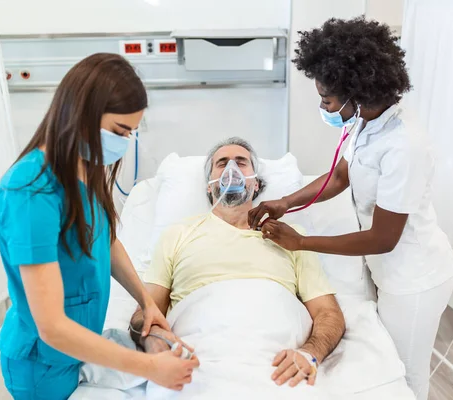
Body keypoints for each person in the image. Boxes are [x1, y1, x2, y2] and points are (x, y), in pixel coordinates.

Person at [248, 18, 453, 400]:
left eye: (327, 100)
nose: (323, 107)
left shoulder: (403, 146)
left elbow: (383, 238)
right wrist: (285, 202)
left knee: (404, 379)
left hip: (414, 279)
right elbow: (341, 176)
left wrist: (302, 242)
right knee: (385, 365)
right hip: (387, 273)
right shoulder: (365, 119)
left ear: (355, 93)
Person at [0, 53, 198, 400]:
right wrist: (150, 368)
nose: (125, 142)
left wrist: (147, 302)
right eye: (119, 131)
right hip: (42, 364)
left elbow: (106, 239)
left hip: (78, 348)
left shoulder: (86, 166)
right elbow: (52, 327)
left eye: (132, 132)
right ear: (80, 114)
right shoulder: (30, 191)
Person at [129, 137, 346, 389]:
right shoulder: (178, 234)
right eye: (221, 163)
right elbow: (147, 311)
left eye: (241, 163)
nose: (231, 168)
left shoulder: (291, 236)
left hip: (276, 363)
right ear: (209, 187)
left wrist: (310, 353)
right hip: (197, 355)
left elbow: (327, 313)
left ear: (256, 185)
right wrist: (155, 342)